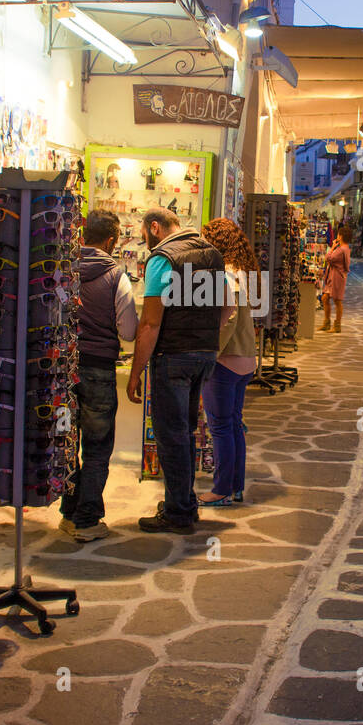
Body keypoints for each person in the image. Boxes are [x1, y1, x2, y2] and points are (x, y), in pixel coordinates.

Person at [127, 207, 233, 534]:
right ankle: (184, 502)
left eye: (144, 236)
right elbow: (227, 305)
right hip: (204, 355)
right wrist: (204, 337)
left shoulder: (163, 259)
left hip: (172, 356)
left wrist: (135, 372)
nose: (145, 242)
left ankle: (177, 513)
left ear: (155, 227)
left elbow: (151, 322)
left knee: (171, 436)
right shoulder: (212, 254)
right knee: (184, 432)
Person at [59, 210, 139, 542]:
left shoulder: (63, 271)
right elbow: (129, 330)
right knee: (97, 445)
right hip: (98, 369)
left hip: (61, 372)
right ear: (111, 240)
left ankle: (69, 511)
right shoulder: (116, 277)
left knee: (67, 442)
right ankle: (87, 519)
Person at [196, 218, 257, 508]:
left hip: (226, 362)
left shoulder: (227, 275)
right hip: (244, 359)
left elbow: (228, 318)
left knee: (220, 427)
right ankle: (235, 486)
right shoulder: (242, 272)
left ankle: (221, 489)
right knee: (233, 425)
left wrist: (210, 352)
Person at [319, 225, 352, 332]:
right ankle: (327, 323)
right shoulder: (345, 248)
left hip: (336, 278)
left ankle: (337, 325)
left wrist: (332, 247)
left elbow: (329, 258)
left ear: (341, 236)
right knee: (325, 298)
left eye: (338, 234)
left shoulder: (341, 249)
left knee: (337, 300)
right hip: (335, 277)